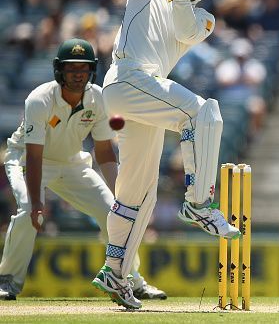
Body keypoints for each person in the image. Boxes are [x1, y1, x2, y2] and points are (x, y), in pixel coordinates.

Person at [90, 0, 240, 310]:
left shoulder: (202, 17)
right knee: (202, 112)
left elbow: (185, 27)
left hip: (141, 95)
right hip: (128, 79)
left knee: (139, 191)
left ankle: (115, 270)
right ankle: (199, 202)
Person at [0, 39, 165, 301]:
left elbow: (104, 151)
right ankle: (8, 279)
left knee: (114, 212)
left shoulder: (97, 97)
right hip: (27, 161)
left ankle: (131, 281)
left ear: (92, 71)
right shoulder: (39, 100)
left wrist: (123, 197)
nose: (78, 74)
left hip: (72, 162)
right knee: (27, 210)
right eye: (71, 68)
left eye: (84, 68)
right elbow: (34, 156)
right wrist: (36, 204)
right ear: (59, 71)